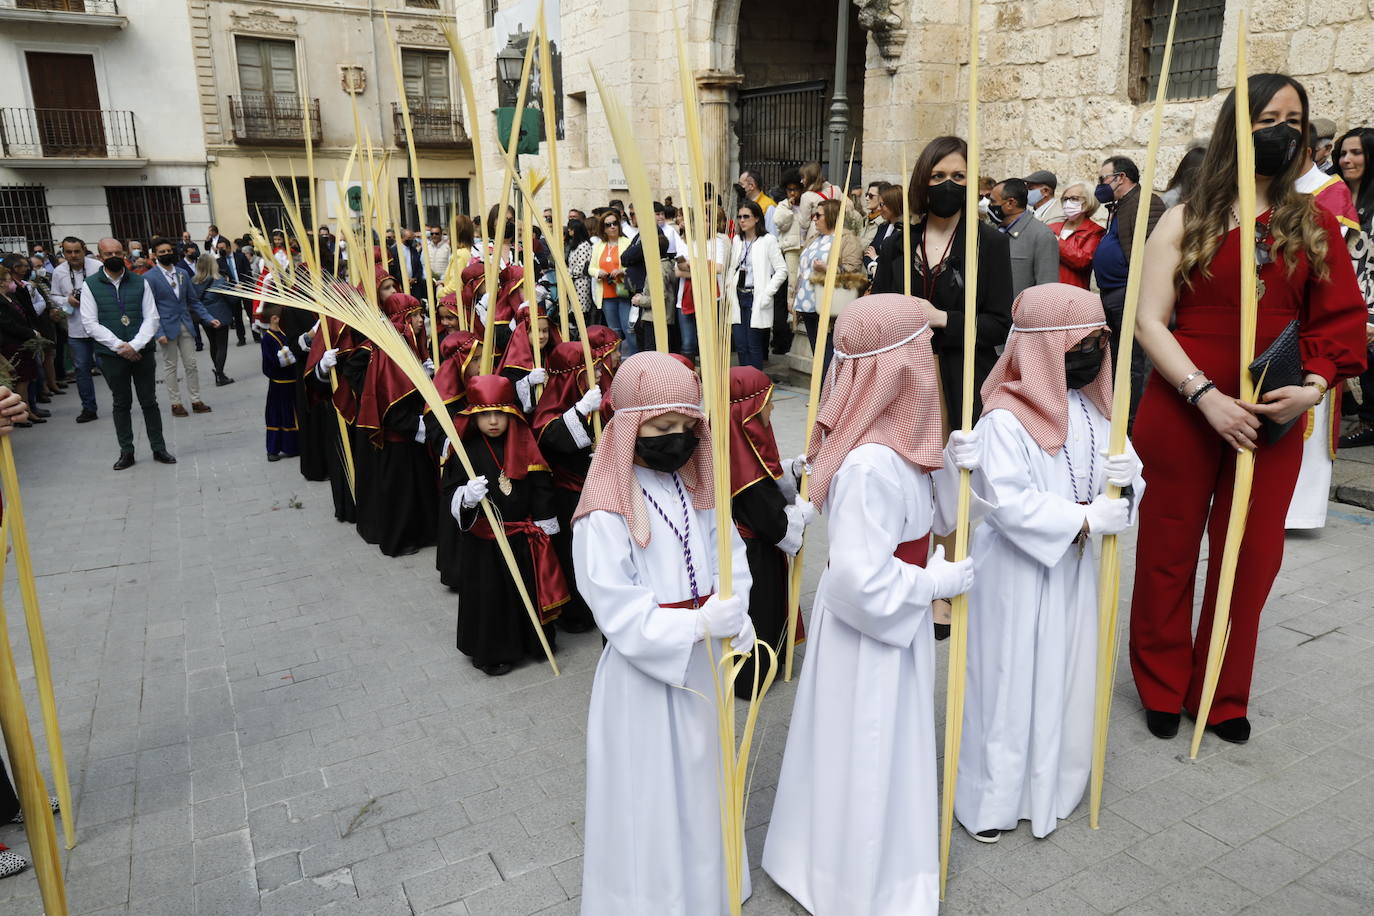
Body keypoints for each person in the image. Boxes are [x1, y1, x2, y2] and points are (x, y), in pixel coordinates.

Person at [1129, 74, 1366, 745]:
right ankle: (1161, 681)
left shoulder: (1315, 224)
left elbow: (1339, 321)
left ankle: (1219, 689)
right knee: (1168, 549)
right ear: (1238, 127)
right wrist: (1204, 395)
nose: (1282, 131)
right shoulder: (1185, 218)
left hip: (1271, 416)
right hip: (1184, 404)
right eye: (1268, 119)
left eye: (1294, 120)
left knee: (1252, 555)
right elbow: (1148, 321)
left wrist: (1315, 385)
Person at [763, 294, 976, 916]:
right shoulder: (868, 467)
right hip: (869, 632)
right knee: (865, 740)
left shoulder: (902, 447)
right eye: (923, 354)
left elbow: (938, 516)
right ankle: (852, 880)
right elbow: (858, 581)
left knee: (887, 741)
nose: (931, 367)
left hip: (898, 622)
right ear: (896, 370)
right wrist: (933, 584)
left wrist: (959, 467)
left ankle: (886, 860)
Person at [955, 283, 1145, 844]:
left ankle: (1053, 787)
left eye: (1098, 343)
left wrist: (1128, 486)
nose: (1092, 354)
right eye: (1080, 344)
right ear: (1045, 347)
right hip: (1017, 577)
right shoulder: (1005, 421)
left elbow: (1123, 476)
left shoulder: (1093, 407)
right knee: (1008, 684)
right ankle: (992, 799)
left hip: (1074, 574)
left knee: (1067, 675)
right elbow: (1007, 505)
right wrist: (1085, 519)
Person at [573, 351, 753, 914]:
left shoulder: (696, 486)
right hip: (645, 673)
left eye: (683, 426)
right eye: (659, 428)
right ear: (629, 428)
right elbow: (614, 602)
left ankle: (709, 889)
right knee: (649, 790)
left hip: (704, 663)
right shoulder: (606, 508)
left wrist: (736, 612)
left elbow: (730, 554)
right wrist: (695, 623)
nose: (675, 439)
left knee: (703, 780)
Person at [873, 135, 1014, 423]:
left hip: (963, 382)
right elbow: (877, 315)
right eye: (937, 176)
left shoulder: (989, 244)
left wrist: (943, 319)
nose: (947, 184)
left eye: (958, 176)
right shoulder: (897, 245)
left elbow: (999, 326)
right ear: (923, 180)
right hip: (902, 382)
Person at [446, 374, 565, 675]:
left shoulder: (524, 443)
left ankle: (534, 642)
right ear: (473, 417)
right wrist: (467, 497)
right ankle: (494, 652)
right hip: (484, 541)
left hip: (522, 536)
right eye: (485, 415)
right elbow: (449, 492)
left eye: (500, 413)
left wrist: (544, 523)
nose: (493, 421)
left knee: (526, 588)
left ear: (512, 414)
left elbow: (541, 485)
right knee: (491, 595)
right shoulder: (465, 450)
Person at [1286, 125, 1365, 528]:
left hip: (1311, 314)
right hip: (1273, 314)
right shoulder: (1275, 188)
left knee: (1308, 416)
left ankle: (1298, 511)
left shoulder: (1330, 193)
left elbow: (1334, 263)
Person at [727, 366, 815, 696]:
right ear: (749, 410)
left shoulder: (738, 444)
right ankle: (753, 677)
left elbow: (767, 476)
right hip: (752, 555)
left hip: (755, 547)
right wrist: (800, 514)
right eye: (767, 402)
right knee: (759, 612)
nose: (773, 407)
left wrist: (792, 470)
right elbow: (772, 522)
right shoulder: (742, 470)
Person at [531, 336, 616, 633]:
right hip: (570, 495)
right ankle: (579, 613)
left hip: (603, 490)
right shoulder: (557, 404)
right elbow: (548, 435)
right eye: (589, 370)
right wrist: (579, 411)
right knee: (576, 555)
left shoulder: (600, 397)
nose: (598, 374)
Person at [79, 238, 176, 469]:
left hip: (142, 352)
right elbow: (90, 323)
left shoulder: (140, 281)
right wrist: (119, 346)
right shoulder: (90, 285)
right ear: (100, 256)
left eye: (117, 252)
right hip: (112, 356)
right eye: (108, 253)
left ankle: (158, 447)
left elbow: (151, 317)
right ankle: (126, 451)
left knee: (149, 401)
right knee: (121, 403)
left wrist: (135, 345)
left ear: (124, 254)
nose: (113, 256)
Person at [354, 293, 438, 557]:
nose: (421, 320)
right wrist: (419, 425)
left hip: (413, 431)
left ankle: (424, 532)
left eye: (421, 314)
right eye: (414, 315)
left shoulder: (411, 345)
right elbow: (391, 400)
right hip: (400, 436)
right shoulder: (391, 352)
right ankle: (400, 539)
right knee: (401, 492)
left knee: (419, 487)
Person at [1092, 155, 1167, 426]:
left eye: (1103, 179)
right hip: (1112, 295)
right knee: (1115, 357)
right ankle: (1117, 413)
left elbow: (1152, 250)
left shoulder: (1146, 203)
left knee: (1132, 360)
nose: (1100, 185)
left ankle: (1131, 420)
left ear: (1120, 177)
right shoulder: (1119, 206)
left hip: (1129, 294)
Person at [791, 198, 864, 380]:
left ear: (831, 216)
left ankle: (828, 393)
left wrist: (828, 268)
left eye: (818, 215)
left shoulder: (847, 239)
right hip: (807, 305)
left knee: (829, 357)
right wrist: (792, 297)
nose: (814, 219)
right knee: (818, 355)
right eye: (813, 215)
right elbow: (801, 270)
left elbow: (852, 270)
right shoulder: (814, 238)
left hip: (829, 307)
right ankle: (821, 391)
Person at [1333, 127, 1374, 448]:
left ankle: (1369, 423)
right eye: (1343, 153)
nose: (1346, 160)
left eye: (1356, 153)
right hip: (1344, 296)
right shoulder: (1336, 195)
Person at [146, 237, 215, 417]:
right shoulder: (149, 277)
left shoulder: (182, 273)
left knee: (191, 364)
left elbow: (193, 301)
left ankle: (196, 400)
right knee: (171, 366)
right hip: (165, 328)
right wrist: (158, 332)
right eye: (162, 252)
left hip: (185, 324)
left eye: (169, 251)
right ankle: (175, 404)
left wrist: (208, 318)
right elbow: (149, 308)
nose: (166, 254)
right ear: (155, 255)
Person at [726, 199, 787, 370]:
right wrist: (729, 284)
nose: (742, 220)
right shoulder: (737, 240)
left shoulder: (768, 240)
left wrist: (768, 293)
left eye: (746, 216)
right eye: (740, 217)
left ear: (757, 218)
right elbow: (732, 267)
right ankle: (744, 383)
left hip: (756, 295)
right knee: (740, 345)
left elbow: (782, 270)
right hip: (737, 295)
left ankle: (755, 383)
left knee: (753, 345)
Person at [48, 236, 104, 422]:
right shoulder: (59, 272)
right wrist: (67, 300)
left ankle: (121, 402)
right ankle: (88, 408)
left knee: (108, 366)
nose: (73, 255)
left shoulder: (97, 267)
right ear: (63, 253)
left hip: (100, 326)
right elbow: (54, 295)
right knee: (81, 369)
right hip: (76, 328)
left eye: (77, 251)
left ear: (84, 250)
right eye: (69, 252)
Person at [989, 178, 1060, 300]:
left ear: (1010, 203)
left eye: (993, 202)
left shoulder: (1042, 235)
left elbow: (1047, 289)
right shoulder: (993, 231)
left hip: (1019, 311)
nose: (989, 206)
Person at [256, 303, 300, 461]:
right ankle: (273, 449)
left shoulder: (284, 333)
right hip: (279, 385)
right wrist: (296, 348)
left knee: (291, 415)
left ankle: (292, 446)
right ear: (274, 319)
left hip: (291, 382)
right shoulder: (268, 339)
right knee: (277, 415)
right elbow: (273, 362)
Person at [590, 210, 634, 356]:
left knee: (629, 329)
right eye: (608, 225)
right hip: (606, 294)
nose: (612, 227)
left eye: (615, 223)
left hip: (623, 292)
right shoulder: (599, 245)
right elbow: (591, 268)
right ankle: (616, 361)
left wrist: (622, 271)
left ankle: (635, 359)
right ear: (603, 228)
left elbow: (634, 266)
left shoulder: (627, 242)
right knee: (614, 331)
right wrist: (598, 272)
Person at [1048, 183, 1106, 289]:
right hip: (1047, 288)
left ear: (1088, 202)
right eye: (1065, 199)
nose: (1068, 203)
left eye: (1074, 199)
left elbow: (1084, 261)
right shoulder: (1052, 227)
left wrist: (1057, 242)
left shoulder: (1095, 231)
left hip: (1073, 291)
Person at [198, 259, 237, 387]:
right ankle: (219, 374)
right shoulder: (219, 280)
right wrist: (234, 288)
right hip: (220, 316)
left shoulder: (195, 282)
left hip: (205, 317)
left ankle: (219, 371)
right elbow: (233, 299)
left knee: (213, 345)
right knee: (221, 346)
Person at [773, 168, 807, 305]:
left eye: (796, 189)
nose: (792, 193)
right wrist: (788, 207)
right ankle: (791, 307)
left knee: (806, 278)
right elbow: (779, 222)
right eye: (789, 190)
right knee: (792, 280)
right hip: (791, 248)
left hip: (806, 246)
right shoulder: (783, 205)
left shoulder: (806, 203)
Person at [865, 185, 905, 282]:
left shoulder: (905, 231)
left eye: (882, 205)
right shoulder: (882, 227)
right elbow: (868, 252)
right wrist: (872, 266)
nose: (878, 209)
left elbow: (896, 262)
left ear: (893, 205)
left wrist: (876, 259)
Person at [798, 160, 841, 243]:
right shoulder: (836, 190)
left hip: (816, 234)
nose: (801, 181)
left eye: (803, 177)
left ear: (810, 177)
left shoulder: (807, 196)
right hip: (836, 233)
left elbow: (804, 224)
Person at [564, 217, 595, 318]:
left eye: (571, 228)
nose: (569, 230)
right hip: (573, 282)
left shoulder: (583, 246)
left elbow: (581, 267)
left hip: (581, 283)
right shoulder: (576, 245)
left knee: (580, 313)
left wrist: (566, 273)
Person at [739, 170, 778, 235]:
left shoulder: (769, 206)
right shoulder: (746, 204)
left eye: (741, 184)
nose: (739, 188)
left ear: (751, 186)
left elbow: (772, 234)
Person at [859, 180, 892, 250]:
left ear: (882, 198)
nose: (866, 198)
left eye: (871, 196)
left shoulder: (884, 223)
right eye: (866, 195)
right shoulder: (865, 219)